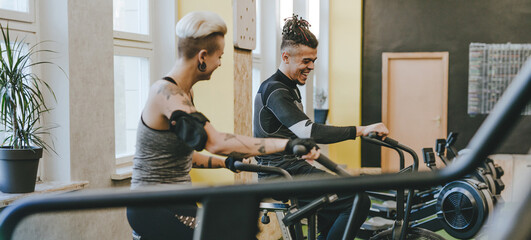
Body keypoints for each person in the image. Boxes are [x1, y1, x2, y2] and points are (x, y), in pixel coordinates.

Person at [126, 11, 319, 240]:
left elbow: (185, 156)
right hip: (154, 204)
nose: (219, 63)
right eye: (220, 56)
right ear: (203, 57)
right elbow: (216, 141)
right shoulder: (165, 93)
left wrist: (225, 163)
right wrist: (288, 144)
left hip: (176, 199)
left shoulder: (185, 94)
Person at [253, 14, 389, 239]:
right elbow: (309, 131)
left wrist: (301, 148)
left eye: (314, 60)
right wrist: (361, 130)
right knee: (358, 199)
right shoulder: (276, 90)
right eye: (306, 61)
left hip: (292, 169)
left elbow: (293, 132)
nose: (311, 67)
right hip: (280, 176)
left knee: (335, 206)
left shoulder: (289, 87)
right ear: (286, 57)